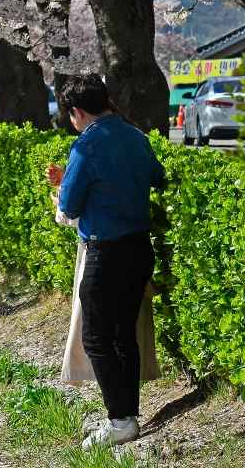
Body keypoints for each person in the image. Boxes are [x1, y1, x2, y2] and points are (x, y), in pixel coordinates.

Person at [46, 74, 166, 450]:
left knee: (96, 337)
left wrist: (66, 186)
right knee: (122, 335)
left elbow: (69, 206)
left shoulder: (86, 146)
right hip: (138, 249)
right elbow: (156, 178)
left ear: (76, 112)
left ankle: (119, 419)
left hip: (105, 252)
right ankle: (127, 416)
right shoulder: (136, 136)